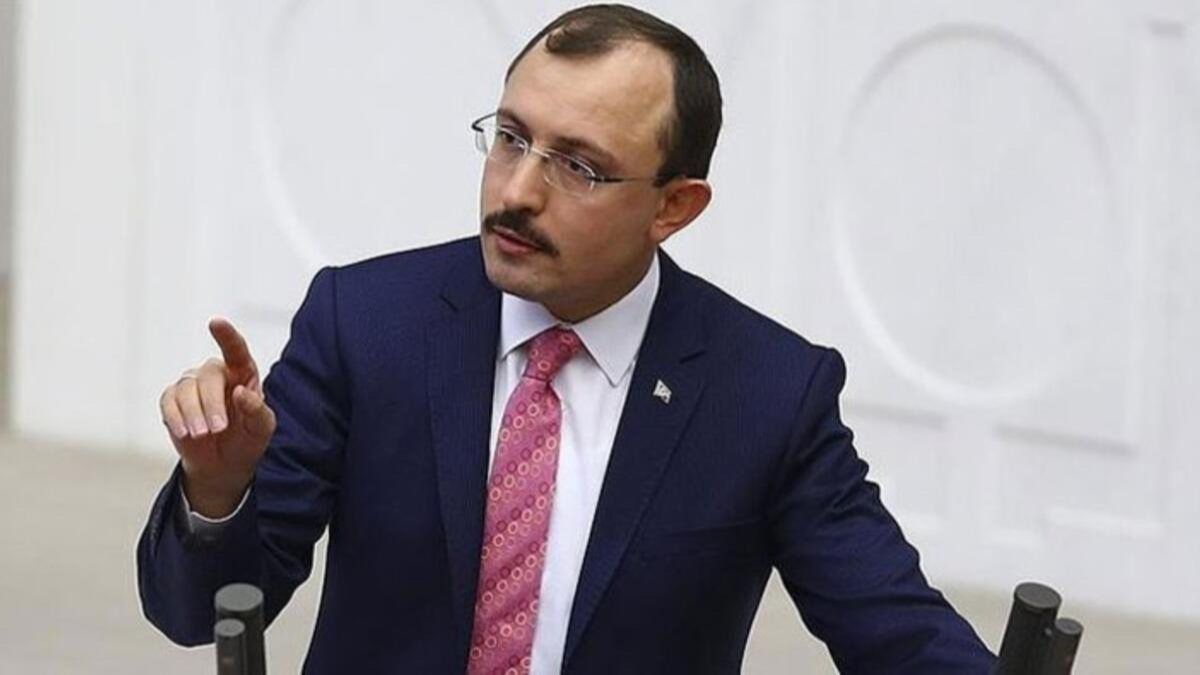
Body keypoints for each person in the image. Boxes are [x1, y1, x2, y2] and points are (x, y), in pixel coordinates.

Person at [138, 4, 996, 673]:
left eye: (578, 167)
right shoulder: (366, 325)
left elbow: (893, 627)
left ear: (674, 207)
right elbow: (198, 611)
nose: (517, 191)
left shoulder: (766, 392)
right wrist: (217, 488)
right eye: (511, 138)